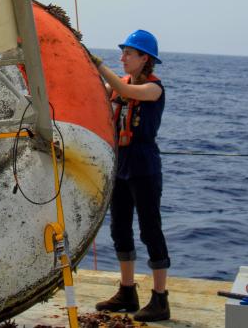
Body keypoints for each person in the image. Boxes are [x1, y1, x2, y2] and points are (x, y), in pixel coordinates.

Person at [87, 30, 170, 322]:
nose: (122, 58)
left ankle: (160, 298)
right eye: (122, 53)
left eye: (129, 54)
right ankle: (127, 291)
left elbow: (127, 94)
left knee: (150, 230)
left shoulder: (153, 89)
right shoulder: (120, 84)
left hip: (144, 166)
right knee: (119, 228)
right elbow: (106, 95)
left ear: (144, 58)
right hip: (120, 164)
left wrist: (99, 66)